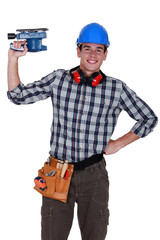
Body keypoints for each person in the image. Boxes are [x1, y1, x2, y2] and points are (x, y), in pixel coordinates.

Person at [7, 23, 158, 240]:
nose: (92, 54)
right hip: (57, 173)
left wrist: (118, 143)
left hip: (94, 175)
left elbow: (149, 118)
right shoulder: (58, 79)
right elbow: (17, 96)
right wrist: (13, 59)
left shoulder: (116, 89)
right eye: (87, 48)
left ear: (106, 54)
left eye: (99, 49)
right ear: (78, 51)